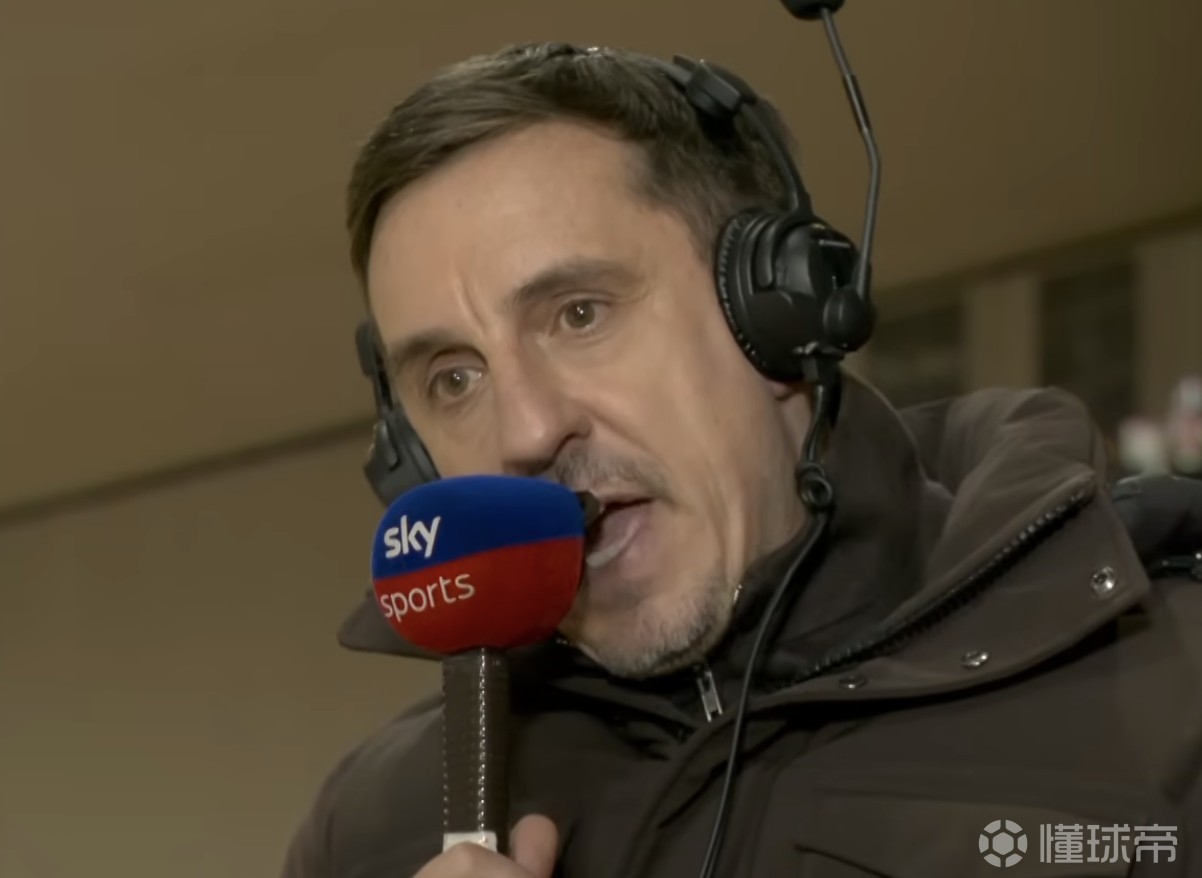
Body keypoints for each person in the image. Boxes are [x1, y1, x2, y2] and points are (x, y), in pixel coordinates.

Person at [282, 42, 1202, 878]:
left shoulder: (1169, 677)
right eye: (453, 378)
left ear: (774, 312)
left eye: (579, 314)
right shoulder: (370, 833)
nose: (526, 431)